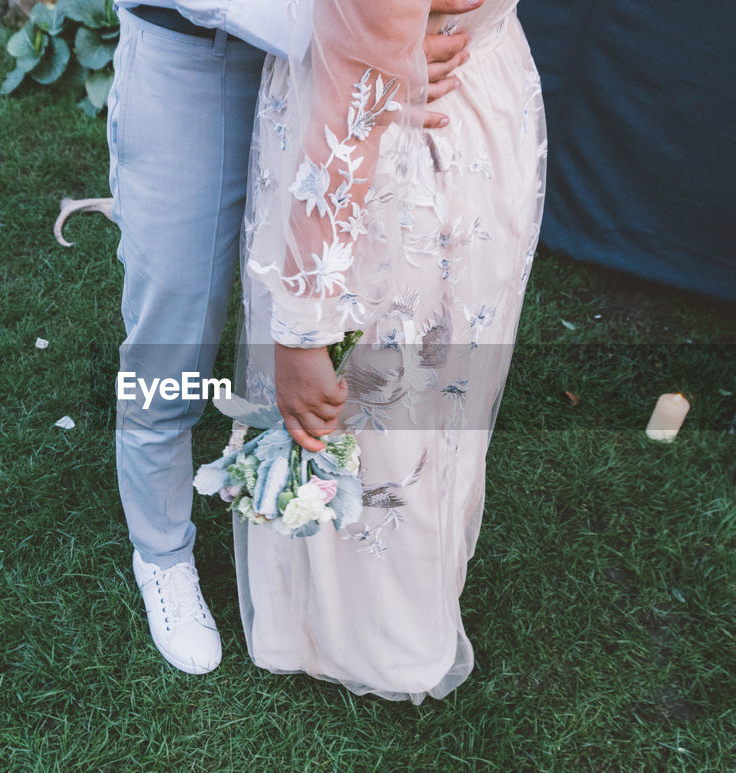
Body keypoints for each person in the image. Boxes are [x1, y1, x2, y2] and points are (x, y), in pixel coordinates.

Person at [103, 0, 487, 675]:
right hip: (196, 54)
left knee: (335, 297)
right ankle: (160, 548)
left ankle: (317, 533)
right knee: (177, 315)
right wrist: (359, 37)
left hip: (335, 63)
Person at [232, 0, 546, 701]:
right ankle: (390, 611)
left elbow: (350, 124)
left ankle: (368, 634)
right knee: (426, 389)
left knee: (371, 386)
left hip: (399, 147)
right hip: (482, 104)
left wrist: (301, 332)